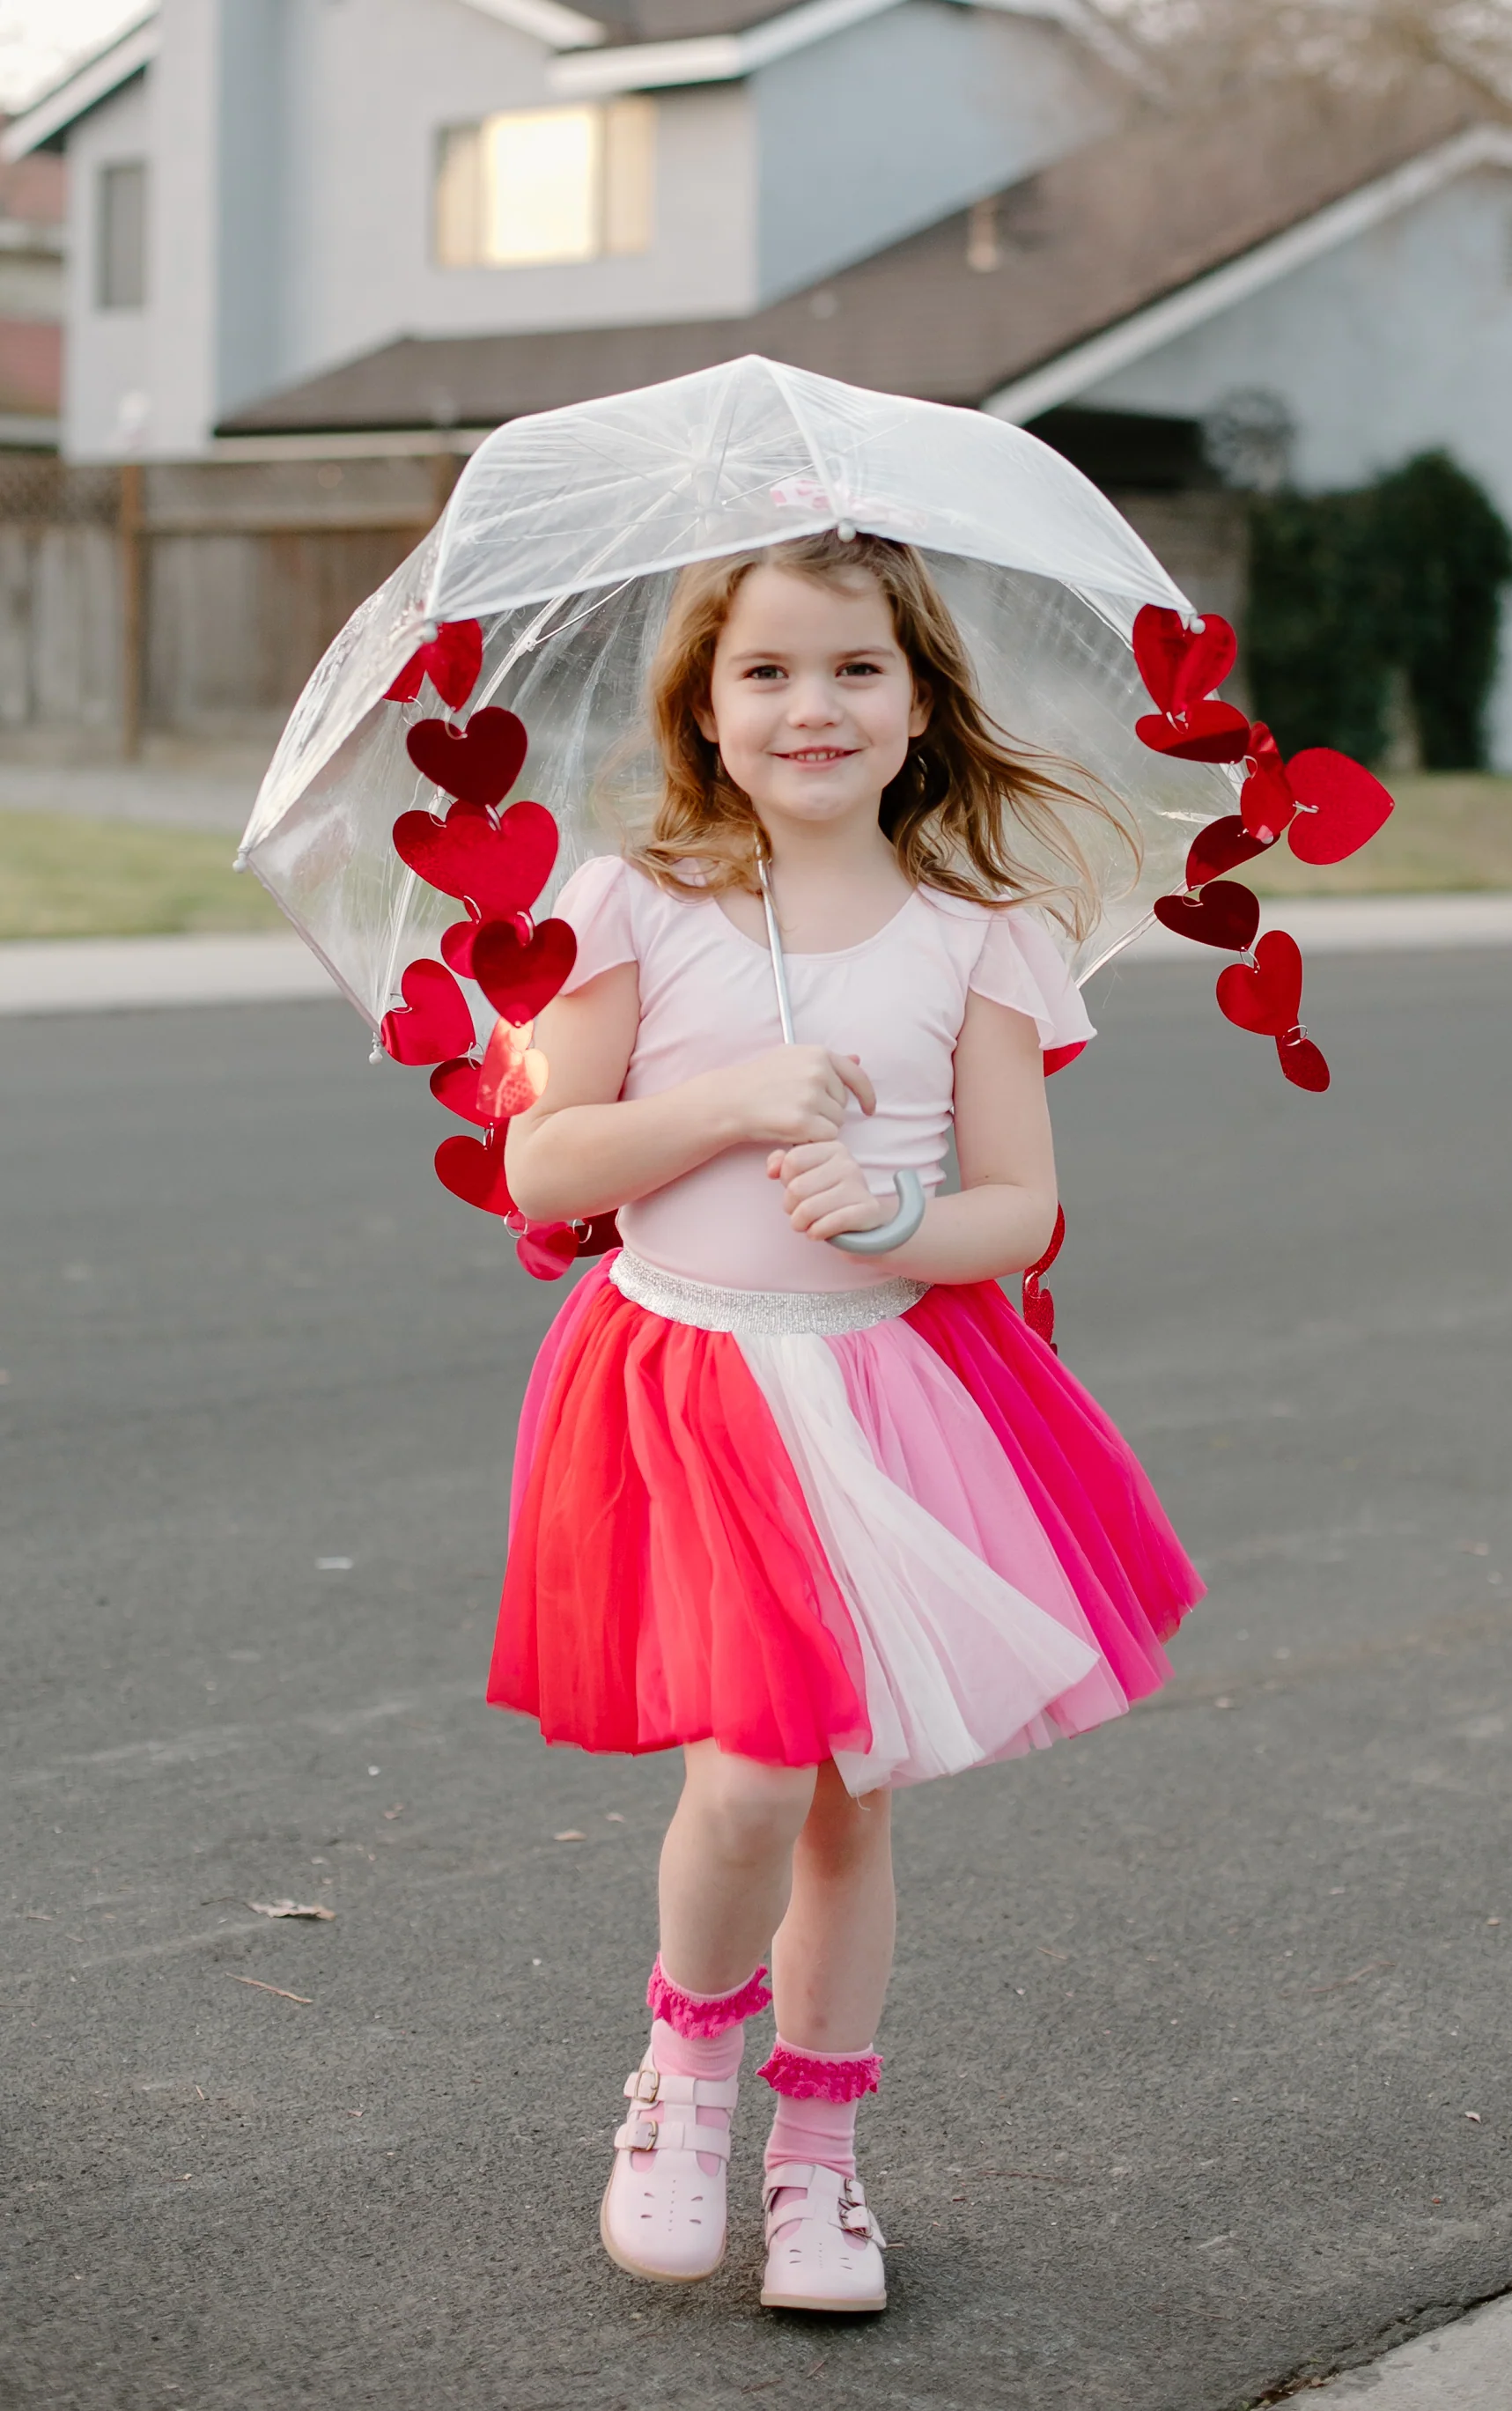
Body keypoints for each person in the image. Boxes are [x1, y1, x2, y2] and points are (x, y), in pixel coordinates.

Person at [490, 531, 1203, 2313]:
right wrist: (732, 1100)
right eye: (768, 671)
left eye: (855, 669)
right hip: (690, 1382)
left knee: (848, 1799)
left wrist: (896, 1216)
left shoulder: (979, 938)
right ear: (705, 712)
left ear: (919, 706)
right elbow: (548, 1162)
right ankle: (685, 2074)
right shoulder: (631, 903)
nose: (812, 704)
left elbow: (1018, 1209)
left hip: (881, 1385)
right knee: (748, 1775)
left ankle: (818, 2155)